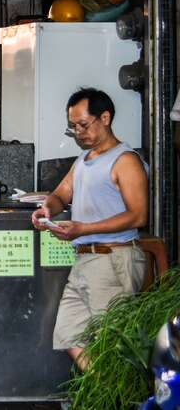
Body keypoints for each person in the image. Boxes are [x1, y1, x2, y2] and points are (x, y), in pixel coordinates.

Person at [30, 88, 148, 370]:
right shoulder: (83, 161)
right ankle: (103, 390)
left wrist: (84, 228)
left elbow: (138, 216)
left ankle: (116, 396)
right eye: (73, 127)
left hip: (113, 259)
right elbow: (60, 195)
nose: (78, 132)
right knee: (70, 334)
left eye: (83, 125)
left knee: (113, 344)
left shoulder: (126, 160)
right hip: (85, 260)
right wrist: (48, 208)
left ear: (105, 118)